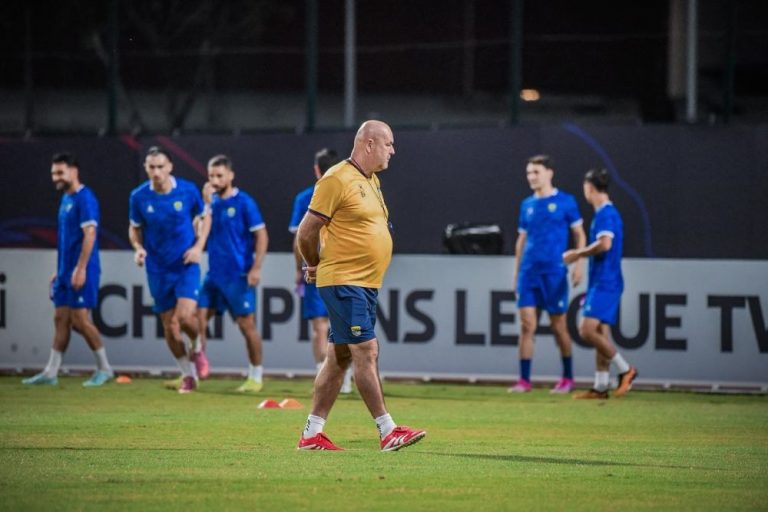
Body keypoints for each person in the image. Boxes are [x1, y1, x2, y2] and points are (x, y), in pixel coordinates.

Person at [296, 120, 426, 451]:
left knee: (339, 358)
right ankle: (387, 430)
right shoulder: (336, 179)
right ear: (369, 144)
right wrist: (314, 265)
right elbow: (306, 232)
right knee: (366, 350)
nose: (393, 150)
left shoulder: (371, 180)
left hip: (363, 283)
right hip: (345, 281)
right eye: (388, 144)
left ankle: (311, 434)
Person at [23, 152, 114, 387]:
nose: (56, 178)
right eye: (53, 173)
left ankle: (105, 368)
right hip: (65, 271)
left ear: (74, 171)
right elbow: (67, 239)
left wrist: (80, 268)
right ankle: (51, 373)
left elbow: (90, 235)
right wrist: (60, 269)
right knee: (60, 318)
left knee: (80, 320)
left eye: (60, 173)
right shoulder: (66, 199)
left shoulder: (85, 199)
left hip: (83, 270)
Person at [128, 146, 210, 394]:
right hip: (157, 269)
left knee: (184, 318)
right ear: (146, 168)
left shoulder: (187, 190)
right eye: (151, 167)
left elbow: (205, 217)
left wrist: (198, 246)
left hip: (185, 264)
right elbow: (134, 227)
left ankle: (197, 348)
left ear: (170, 167)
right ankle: (187, 375)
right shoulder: (138, 197)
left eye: (160, 167)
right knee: (170, 326)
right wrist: (138, 248)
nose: (156, 172)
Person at [509, 155, 586, 393]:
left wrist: (579, 265)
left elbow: (580, 235)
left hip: (554, 273)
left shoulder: (566, 202)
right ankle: (524, 380)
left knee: (559, 326)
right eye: (529, 173)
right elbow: (521, 240)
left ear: (549, 173)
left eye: (536, 172)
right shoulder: (527, 205)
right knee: (526, 325)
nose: (531, 177)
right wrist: (516, 273)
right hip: (529, 273)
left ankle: (568, 378)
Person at [563, 168, 638, 399]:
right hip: (605, 281)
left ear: (589, 188)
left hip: (606, 283)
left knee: (586, 330)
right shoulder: (606, 213)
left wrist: (577, 254)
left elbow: (605, 244)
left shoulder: (606, 213)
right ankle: (601, 386)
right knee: (600, 333)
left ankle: (626, 370)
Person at [196, 155, 269, 392]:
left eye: (219, 175)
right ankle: (194, 372)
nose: (214, 180)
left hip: (238, 276)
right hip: (213, 275)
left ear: (230, 176)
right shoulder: (210, 204)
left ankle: (255, 376)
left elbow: (261, 236)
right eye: (211, 176)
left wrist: (256, 267)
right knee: (196, 320)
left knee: (246, 326)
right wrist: (205, 205)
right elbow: (198, 232)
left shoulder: (244, 202)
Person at [289, 148, 353, 394]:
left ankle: (324, 377)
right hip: (345, 269)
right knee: (344, 325)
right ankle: (343, 379)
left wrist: (300, 269)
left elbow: (300, 238)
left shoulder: (305, 198)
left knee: (319, 327)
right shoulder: (350, 192)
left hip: (316, 267)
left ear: (316, 169)